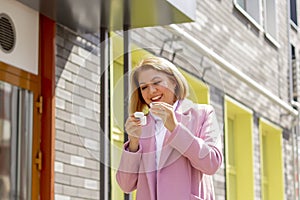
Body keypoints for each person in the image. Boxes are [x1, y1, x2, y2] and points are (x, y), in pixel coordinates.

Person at [116, 56, 223, 200]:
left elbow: (212, 164)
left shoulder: (203, 114)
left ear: (174, 82)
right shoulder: (141, 125)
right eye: (144, 87)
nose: (151, 90)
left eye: (156, 82)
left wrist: (175, 128)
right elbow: (125, 185)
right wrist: (133, 142)